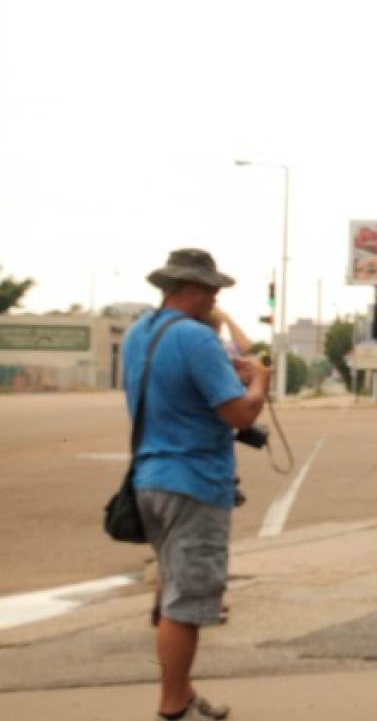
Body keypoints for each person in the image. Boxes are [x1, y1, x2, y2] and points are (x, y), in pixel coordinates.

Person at [125, 249, 270, 721]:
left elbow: (178, 392)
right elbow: (238, 413)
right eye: (212, 290)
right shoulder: (196, 338)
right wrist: (259, 385)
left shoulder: (138, 334)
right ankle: (173, 707)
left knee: (171, 591)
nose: (216, 298)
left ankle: (182, 692)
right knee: (186, 603)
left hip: (149, 477)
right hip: (194, 481)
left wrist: (229, 379)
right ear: (192, 289)